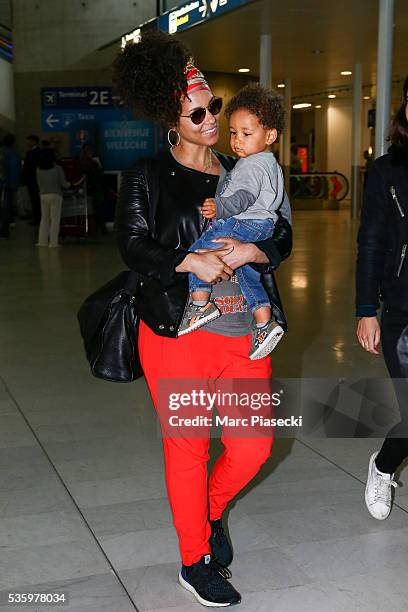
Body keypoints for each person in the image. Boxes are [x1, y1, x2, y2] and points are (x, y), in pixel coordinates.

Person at [113, 31, 292, 608]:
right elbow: (133, 245)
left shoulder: (248, 165)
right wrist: (187, 258)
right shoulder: (145, 174)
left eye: (214, 104)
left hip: (244, 332)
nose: (213, 117)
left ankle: (211, 513)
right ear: (172, 117)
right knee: (188, 447)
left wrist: (256, 252)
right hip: (177, 332)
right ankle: (194, 559)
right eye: (199, 111)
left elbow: (283, 233)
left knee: (254, 447)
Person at [178, 83, 285, 360]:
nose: (237, 140)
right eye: (234, 133)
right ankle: (264, 321)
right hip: (261, 227)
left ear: (270, 135)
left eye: (246, 134)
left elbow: (244, 197)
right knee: (249, 275)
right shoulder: (269, 162)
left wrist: (221, 207)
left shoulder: (250, 164)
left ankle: (200, 304)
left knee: (199, 251)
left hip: (243, 222)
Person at [356, 76, 408, 521]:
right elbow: (370, 242)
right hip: (401, 311)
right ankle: (383, 465)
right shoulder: (387, 171)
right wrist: (366, 309)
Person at [36, 148, 71, 248]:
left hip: (43, 195)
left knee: (44, 219)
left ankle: (42, 241)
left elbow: (38, 183)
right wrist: (70, 184)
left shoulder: (38, 169)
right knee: (55, 220)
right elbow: (64, 184)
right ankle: (53, 243)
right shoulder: (57, 168)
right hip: (56, 195)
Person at [79, 143, 106, 233]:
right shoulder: (92, 162)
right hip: (95, 188)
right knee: (98, 208)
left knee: (94, 208)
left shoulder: (83, 161)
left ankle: (94, 228)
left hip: (90, 188)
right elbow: (98, 174)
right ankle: (99, 228)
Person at [0, 134, 21, 239]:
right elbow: (14, 171)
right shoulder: (12, 154)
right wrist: (14, 185)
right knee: (6, 208)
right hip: (6, 185)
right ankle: (4, 232)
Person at [22, 135, 41, 226]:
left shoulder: (36, 152)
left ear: (34, 141)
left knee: (35, 199)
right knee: (33, 199)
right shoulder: (30, 152)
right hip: (31, 180)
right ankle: (36, 218)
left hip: (34, 180)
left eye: (29, 141)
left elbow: (32, 167)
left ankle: (37, 218)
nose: (27, 143)